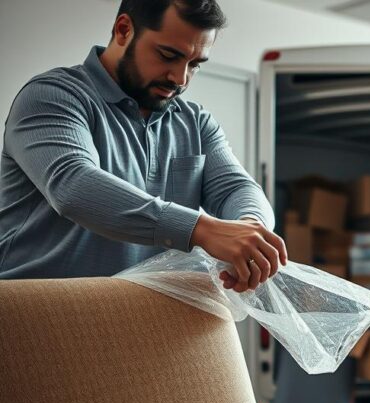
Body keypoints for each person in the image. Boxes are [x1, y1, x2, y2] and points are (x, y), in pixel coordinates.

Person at [0, 0, 283, 291]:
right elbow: (73, 185)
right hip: (35, 313)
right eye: (168, 55)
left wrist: (250, 230)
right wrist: (202, 229)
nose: (180, 78)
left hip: (144, 314)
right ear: (123, 30)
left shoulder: (195, 122)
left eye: (194, 65)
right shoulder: (53, 96)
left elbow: (237, 188)